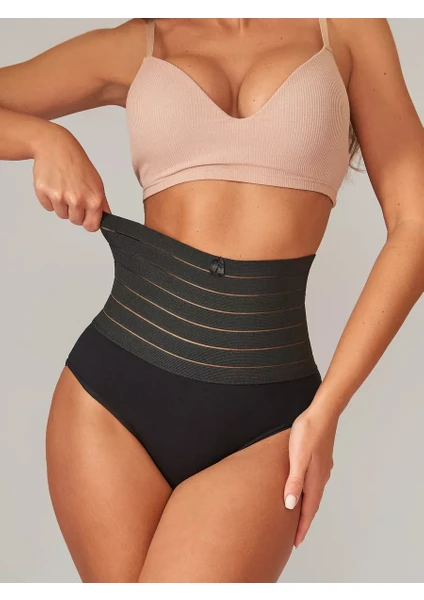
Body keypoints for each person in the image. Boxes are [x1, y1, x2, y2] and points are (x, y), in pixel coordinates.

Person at [1, 18, 423, 583]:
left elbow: (416, 223)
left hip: (268, 418)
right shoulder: (144, 39)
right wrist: (46, 140)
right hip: (112, 401)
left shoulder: (345, 26)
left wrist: (326, 411)